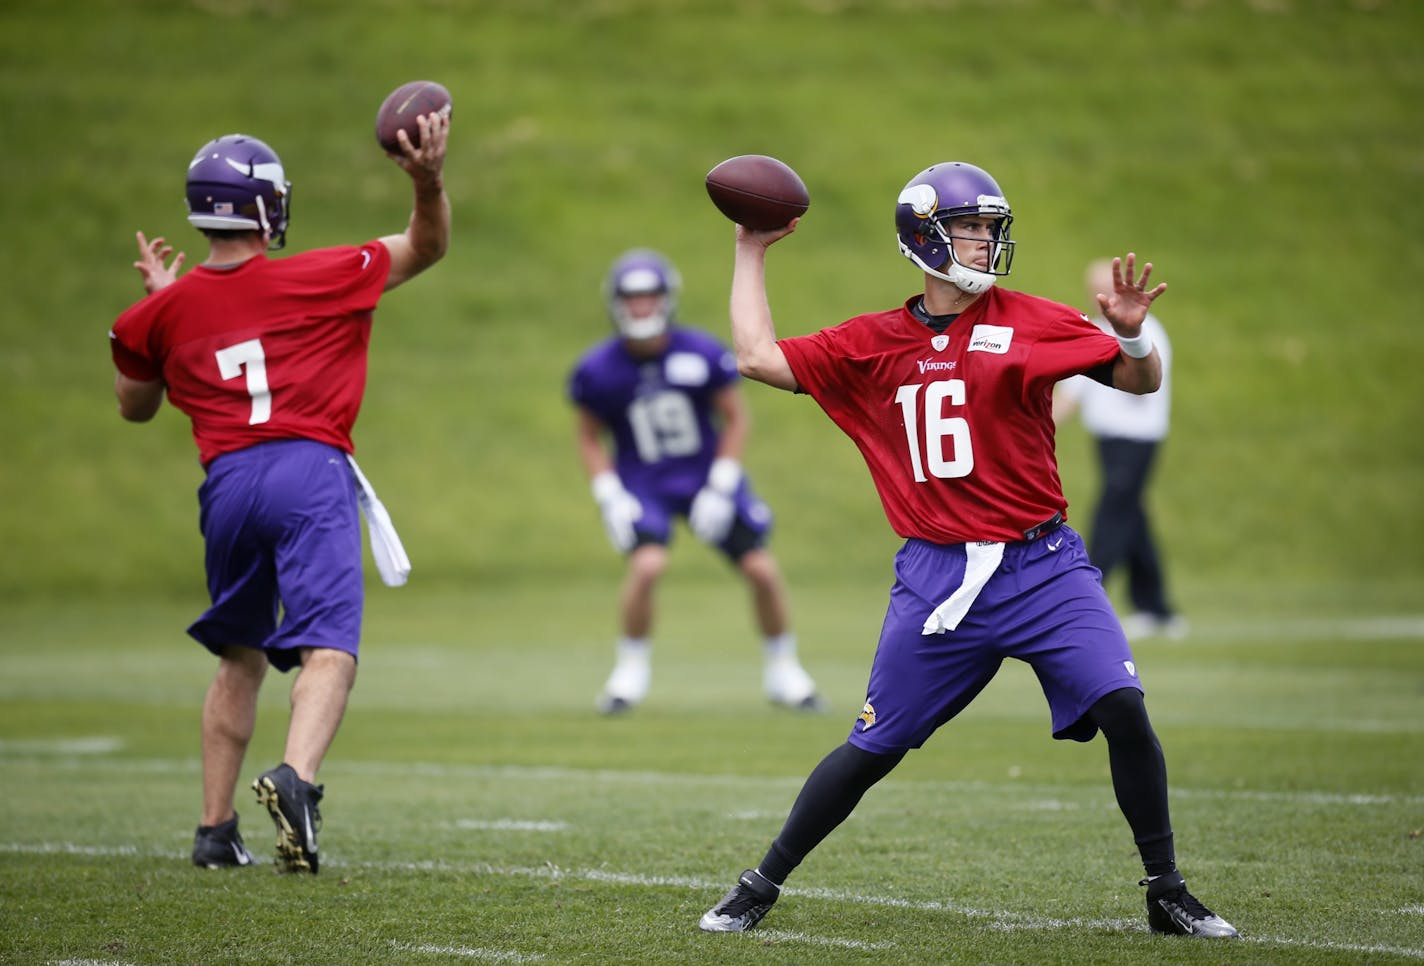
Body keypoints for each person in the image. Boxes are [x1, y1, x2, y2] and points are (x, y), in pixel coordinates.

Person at [697, 162, 1237, 939]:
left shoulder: (1031, 318)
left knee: (1124, 706)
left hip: (1043, 563)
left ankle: (1166, 890)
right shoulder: (873, 342)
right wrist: (751, 249)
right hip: (939, 577)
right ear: (926, 237)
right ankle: (760, 882)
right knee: (873, 746)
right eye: (972, 228)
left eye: (991, 228)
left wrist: (1130, 331)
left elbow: (1139, 380)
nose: (988, 243)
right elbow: (754, 356)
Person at [108, 116, 451, 873]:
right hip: (307, 468)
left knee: (240, 654)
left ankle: (213, 829)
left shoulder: (151, 315)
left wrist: (169, 307)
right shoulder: (325, 271)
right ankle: (296, 778)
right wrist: (425, 180)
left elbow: (135, 406)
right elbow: (426, 246)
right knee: (328, 645)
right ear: (265, 207)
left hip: (227, 485)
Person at [568, 249, 821, 715]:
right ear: (617, 303)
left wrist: (723, 484)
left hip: (706, 477)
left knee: (761, 570)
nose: (641, 308)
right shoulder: (599, 369)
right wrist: (608, 495)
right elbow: (588, 436)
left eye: (649, 298)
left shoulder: (701, 351)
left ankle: (785, 671)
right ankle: (630, 672)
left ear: (666, 300)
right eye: (632, 299)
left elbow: (735, 418)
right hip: (644, 484)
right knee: (646, 567)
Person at [1054, 258, 1185, 641]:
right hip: (1108, 440)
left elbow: (1148, 379)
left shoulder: (1143, 330)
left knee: (1112, 515)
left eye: (1106, 288)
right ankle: (1157, 608)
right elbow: (1069, 395)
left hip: (1138, 439)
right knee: (1132, 518)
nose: (1100, 298)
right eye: (1094, 290)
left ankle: (1085, 602)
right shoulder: (1095, 330)